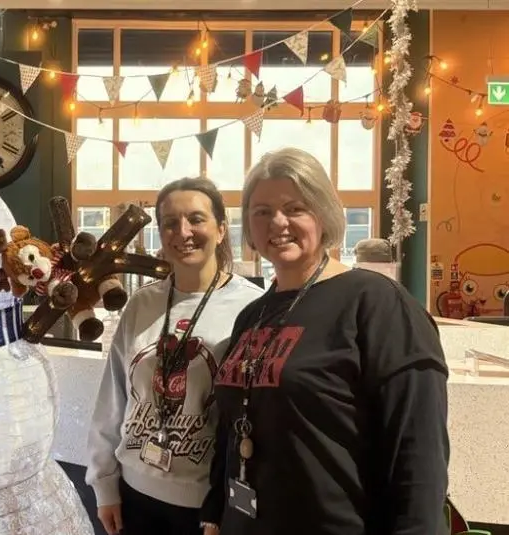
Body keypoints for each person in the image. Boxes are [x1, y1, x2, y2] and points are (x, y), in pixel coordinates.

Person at [200, 148, 448, 535]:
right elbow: (233, 428)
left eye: (294, 208)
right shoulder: (252, 315)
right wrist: (214, 513)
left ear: (324, 212)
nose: (277, 222)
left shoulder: (376, 303)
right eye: (262, 211)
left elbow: (418, 452)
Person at [86, 177, 264, 535]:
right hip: (134, 495)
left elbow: (256, 417)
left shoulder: (252, 307)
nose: (183, 232)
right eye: (170, 222)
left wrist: (228, 508)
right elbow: (113, 398)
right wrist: (104, 484)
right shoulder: (142, 303)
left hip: (208, 506)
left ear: (221, 229)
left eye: (196, 219)